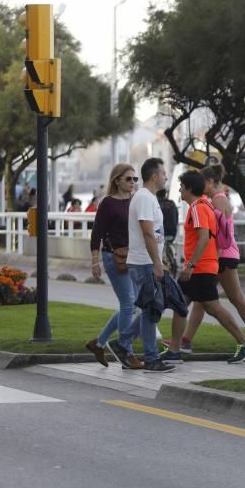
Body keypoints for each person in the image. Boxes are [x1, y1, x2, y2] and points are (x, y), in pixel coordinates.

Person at [173, 166, 245, 362]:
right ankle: (184, 341)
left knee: (230, 299)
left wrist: (207, 260)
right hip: (213, 257)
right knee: (202, 300)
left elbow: (214, 234)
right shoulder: (211, 201)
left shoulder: (217, 200)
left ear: (210, 181)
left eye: (203, 182)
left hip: (221, 256)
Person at [107, 158, 174, 373]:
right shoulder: (145, 198)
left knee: (150, 309)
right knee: (151, 309)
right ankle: (151, 357)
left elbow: (154, 234)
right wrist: (156, 263)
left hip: (147, 261)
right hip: (144, 263)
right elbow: (147, 231)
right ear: (154, 176)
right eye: (163, 173)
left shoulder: (147, 197)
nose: (165, 176)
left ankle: (122, 343)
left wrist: (160, 259)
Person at [86, 164, 140, 369]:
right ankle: (126, 352)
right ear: (117, 180)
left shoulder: (136, 201)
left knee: (134, 306)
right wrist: (94, 261)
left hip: (134, 257)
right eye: (128, 179)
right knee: (128, 304)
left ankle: (98, 343)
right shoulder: (107, 203)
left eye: (135, 179)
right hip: (113, 257)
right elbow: (96, 233)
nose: (132, 183)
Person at [157, 187, 179, 275]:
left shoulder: (157, 204)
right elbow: (176, 217)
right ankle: (172, 259)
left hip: (161, 234)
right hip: (172, 233)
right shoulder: (172, 203)